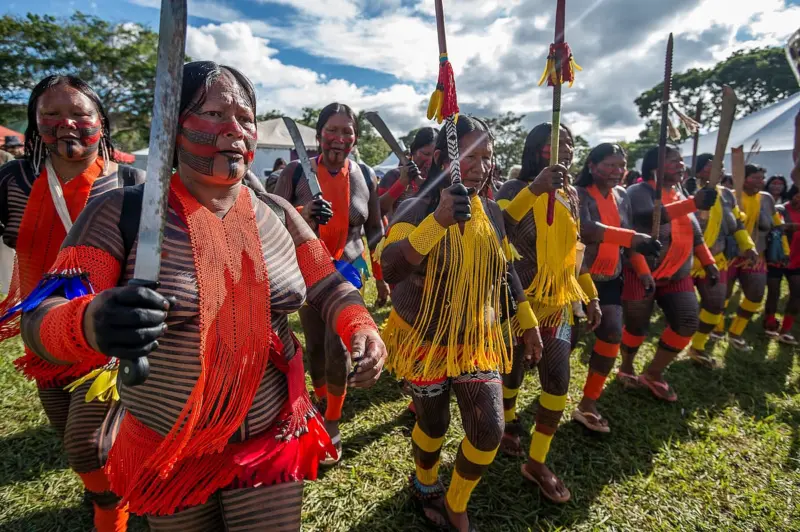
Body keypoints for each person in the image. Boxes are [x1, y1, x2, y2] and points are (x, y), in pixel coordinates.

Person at [21, 61, 385, 530]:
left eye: (245, 118)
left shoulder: (278, 213)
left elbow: (329, 285)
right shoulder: (124, 213)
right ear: (172, 126)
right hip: (168, 450)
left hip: (270, 440)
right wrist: (88, 321)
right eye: (213, 113)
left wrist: (361, 326)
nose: (234, 129)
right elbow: (39, 316)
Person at [380, 116, 542, 531]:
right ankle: (425, 481)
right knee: (433, 425)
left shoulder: (490, 209)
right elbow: (390, 268)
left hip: (476, 341)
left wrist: (527, 321)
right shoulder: (415, 208)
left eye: (488, 157)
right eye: (471, 155)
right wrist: (438, 223)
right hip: (425, 341)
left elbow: (504, 272)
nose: (482, 165)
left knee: (489, 429)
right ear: (441, 158)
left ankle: (456, 501)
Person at [0, 75, 144, 532]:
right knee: (73, 439)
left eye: (80, 114)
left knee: (86, 444)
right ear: (35, 123)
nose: (67, 125)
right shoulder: (13, 180)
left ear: (100, 121)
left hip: (108, 336)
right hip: (41, 333)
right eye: (51, 115)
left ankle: (112, 512)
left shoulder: (131, 181)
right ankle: (108, 486)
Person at [495, 122, 601, 504]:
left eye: (571, 144)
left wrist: (590, 295)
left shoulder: (572, 195)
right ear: (536, 150)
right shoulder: (513, 188)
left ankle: (537, 462)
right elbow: (499, 229)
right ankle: (509, 423)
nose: (567, 150)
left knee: (557, 380)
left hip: (557, 304)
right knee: (513, 371)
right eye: (556, 145)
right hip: (514, 303)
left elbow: (574, 251)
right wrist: (536, 189)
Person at [274, 102, 384, 463]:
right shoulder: (295, 172)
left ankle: (333, 421)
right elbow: (273, 220)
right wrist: (304, 215)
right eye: (332, 130)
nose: (340, 138)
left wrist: (383, 279)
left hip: (348, 268)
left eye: (347, 131)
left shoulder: (365, 175)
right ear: (320, 134)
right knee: (317, 346)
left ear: (355, 137)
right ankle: (322, 399)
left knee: (336, 345)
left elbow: (373, 230)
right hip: (307, 267)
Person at [573, 143, 661, 432]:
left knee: (611, 335)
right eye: (609, 165)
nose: (617, 171)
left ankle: (588, 403)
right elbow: (586, 229)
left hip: (610, 279)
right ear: (591, 166)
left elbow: (629, 244)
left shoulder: (622, 196)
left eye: (620, 166)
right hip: (575, 279)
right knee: (565, 345)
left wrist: (643, 270)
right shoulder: (578, 194)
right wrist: (634, 237)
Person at [620, 146, 718, 402]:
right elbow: (643, 223)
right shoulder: (638, 191)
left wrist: (708, 262)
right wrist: (691, 204)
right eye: (674, 161)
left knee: (687, 323)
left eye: (682, 160)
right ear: (655, 165)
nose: (681, 165)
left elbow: (694, 233)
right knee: (637, 326)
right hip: (641, 271)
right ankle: (627, 365)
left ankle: (653, 373)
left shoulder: (680, 193)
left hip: (678, 274)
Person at [687, 154, 758, 367]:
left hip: (715, 260)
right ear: (699, 171)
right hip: (684, 261)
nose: (720, 170)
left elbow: (737, 225)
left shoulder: (727, 195)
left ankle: (697, 346)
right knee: (682, 311)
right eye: (712, 167)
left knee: (715, 304)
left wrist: (748, 246)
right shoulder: (686, 190)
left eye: (720, 167)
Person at [719, 165, 787, 350]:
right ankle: (716, 329)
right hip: (729, 256)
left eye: (761, 178)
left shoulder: (766, 199)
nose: (760, 182)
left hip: (756, 256)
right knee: (722, 296)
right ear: (743, 178)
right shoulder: (728, 196)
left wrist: (785, 248)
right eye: (755, 178)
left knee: (756, 294)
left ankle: (735, 332)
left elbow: (777, 224)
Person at [765, 187, 800, 344]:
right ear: (791, 195)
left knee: (797, 293)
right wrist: (794, 227)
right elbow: (775, 227)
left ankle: (786, 329)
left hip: (797, 259)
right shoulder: (780, 210)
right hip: (778, 257)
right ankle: (770, 323)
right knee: (774, 292)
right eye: (797, 196)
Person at [378, 127, 437, 219]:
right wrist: (401, 183)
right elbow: (377, 212)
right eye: (426, 154)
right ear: (413, 151)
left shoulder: (438, 179)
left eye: (434, 156)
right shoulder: (393, 176)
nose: (430, 160)